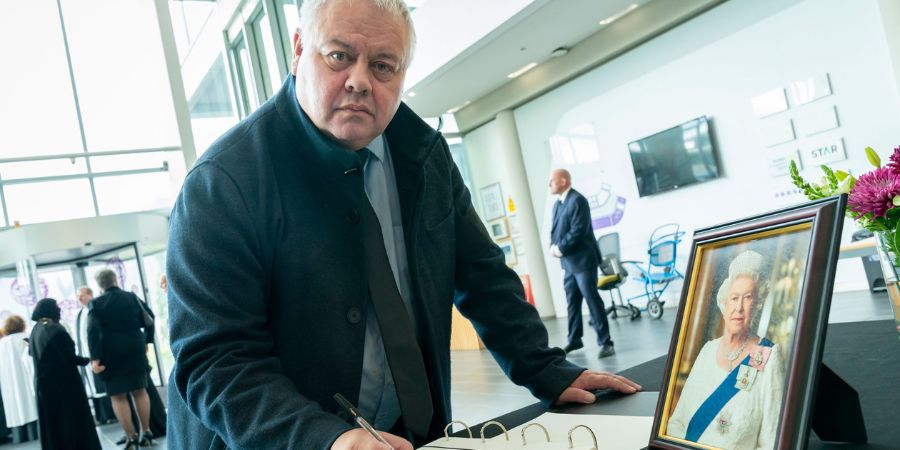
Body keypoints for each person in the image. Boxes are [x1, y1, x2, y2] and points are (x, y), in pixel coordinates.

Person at [165, 0, 641, 449]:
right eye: (338, 57)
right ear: (297, 50)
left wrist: (546, 368)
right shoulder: (223, 184)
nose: (359, 81)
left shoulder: (425, 155)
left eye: (382, 65)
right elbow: (215, 361)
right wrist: (322, 438)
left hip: (407, 432)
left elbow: (482, 274)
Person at [666, 250, 784, 450]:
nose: (739, 307)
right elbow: (676, 423)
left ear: (757, 304)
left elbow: (772, 442)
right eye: (734, 298)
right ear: (725, 302)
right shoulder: (707, 350)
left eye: (747, 298)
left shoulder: (768, 357)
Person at [548, 169, 615, 358]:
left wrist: (559, 248)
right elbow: (555, 231)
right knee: (572, 302)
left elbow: (578, 230)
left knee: (593, 300)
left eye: (552, 181)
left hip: (584, 261)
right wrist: (553, 246)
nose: (549, 184)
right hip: (568, 263)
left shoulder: (578, 200)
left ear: (563, 181)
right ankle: (574, 339)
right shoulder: (558, 204)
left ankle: (606, 342)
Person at [87, 270, 154, 448]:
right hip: (135, 347)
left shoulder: (96, 303)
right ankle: (146, 432)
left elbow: (92, 331)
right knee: (140, 390)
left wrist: (95, 358)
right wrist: (147, 340)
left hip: (110, 351)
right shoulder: (132, 297)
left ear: (100, 285)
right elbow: (150, 318)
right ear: (115, 280)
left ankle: (130, 437)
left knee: (118, 396)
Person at [29, 298, 101, 450]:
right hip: (63, 384)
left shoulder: (36, 329)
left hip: (44, 384)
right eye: (56, 307)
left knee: (54, 425)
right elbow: (68, 357)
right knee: (70, 420)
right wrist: (89, 360)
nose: (59, 309)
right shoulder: (55, 329)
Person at [74, 287, 116, 425]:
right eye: (78, 296)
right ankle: (102, 416)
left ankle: (111, 414)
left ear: (90, 294)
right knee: (94, 387)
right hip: (86, 355)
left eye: (82, 295)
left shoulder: (97, 309)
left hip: (99, 354)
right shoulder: (79, 314)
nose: (80, 299)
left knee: (103, 385)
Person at [0, 316, 38, 441]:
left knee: (16, 406)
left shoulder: (3, 343)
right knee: (30, 404)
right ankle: (34, 433)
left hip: (9, 382)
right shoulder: (25, 337)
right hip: (26, 379)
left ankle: (19, 436)